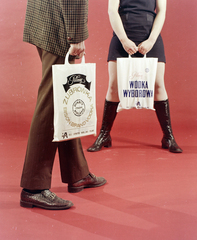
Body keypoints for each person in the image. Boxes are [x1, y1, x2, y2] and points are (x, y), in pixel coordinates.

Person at [20, 0, 106, 210]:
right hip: (57, 27)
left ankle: (77, 173)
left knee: (60, 98)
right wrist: (75, 37)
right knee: (51, 102)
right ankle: (34, 188)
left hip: (45, 19)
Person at [87, 0, 182, 154]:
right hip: (122, 37)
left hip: (151, 37)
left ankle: (168, 137)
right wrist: (124, 40)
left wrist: (151, 40)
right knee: (114, 86)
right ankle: (104, 135)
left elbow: (161, 11)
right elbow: (112, 11)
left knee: (158, 84)